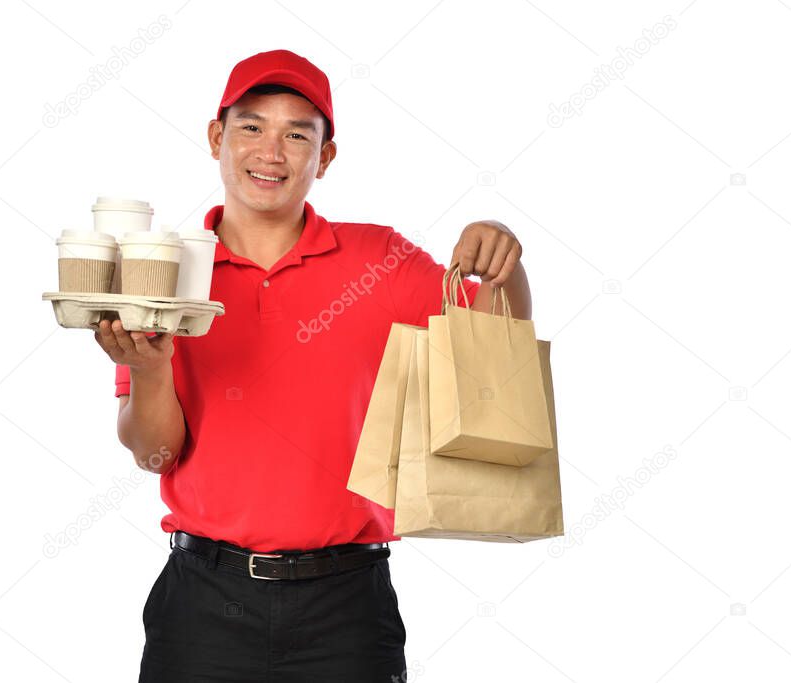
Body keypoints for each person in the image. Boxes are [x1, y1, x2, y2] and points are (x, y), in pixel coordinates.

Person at [94, 49, 532, 681]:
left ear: (324, 156)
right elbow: (152, 453)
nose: (271, 152)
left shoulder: (379, 259)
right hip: (203, 606)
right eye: (251, 127)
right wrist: (154, 370)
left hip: (346, 607)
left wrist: (503, 258)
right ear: (218, 137)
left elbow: (502, 343)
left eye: (297, 134)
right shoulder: (167, 272)